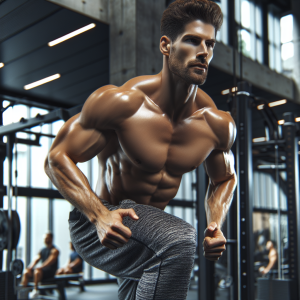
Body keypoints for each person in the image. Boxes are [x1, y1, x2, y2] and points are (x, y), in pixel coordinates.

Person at [45, 0, 237, 299]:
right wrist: (98, 215)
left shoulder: (216, 125)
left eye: (210, 44)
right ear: (166, 45)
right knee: (179, 240)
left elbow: (225, 178)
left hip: (146, 235)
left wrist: (215, 224)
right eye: (192, 40)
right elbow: (56, 158)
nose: (204, 52)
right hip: (100, 224)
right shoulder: (122, 104)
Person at [20, 232, 59, 299]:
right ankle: (23, 293)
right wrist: (30, 267)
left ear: (51, 238)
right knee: (26, 272)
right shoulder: (42, 250)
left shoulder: (55, 250)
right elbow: (36, 259)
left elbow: (49, 261)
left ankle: (36, 291)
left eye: (46, 238)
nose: (45, 240)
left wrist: (40, 267)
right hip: (42, 271)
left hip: (50, 272)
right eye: (44, 239)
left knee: (37, 271)